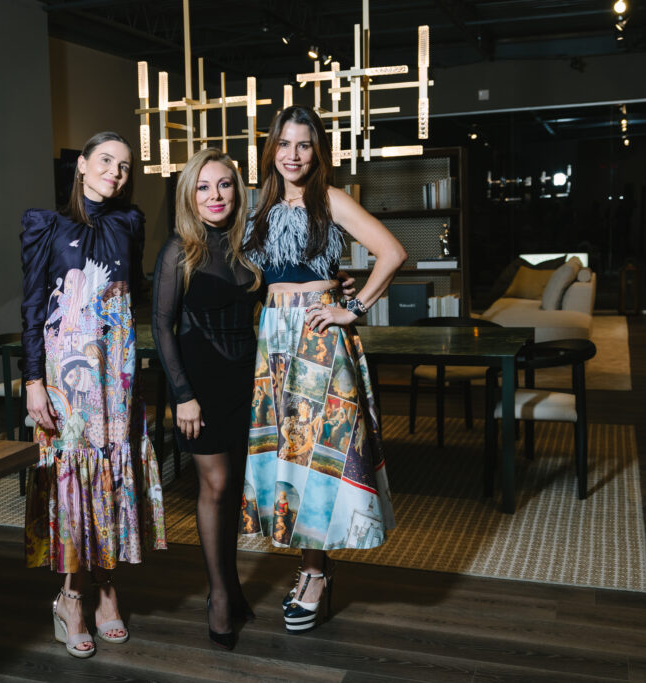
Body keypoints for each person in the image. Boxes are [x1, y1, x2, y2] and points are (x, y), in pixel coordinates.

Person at [241, 105, 407, 634]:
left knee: (316, 455)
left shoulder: (330, 199)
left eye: (304, 145)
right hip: (272, 339)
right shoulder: (257, 205)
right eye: (284, 144)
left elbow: (392, 252)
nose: (292, 155)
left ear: (317, 153)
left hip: (317, 339)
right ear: (271, 148)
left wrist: (350, 308)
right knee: (289, 455)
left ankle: (314, 574)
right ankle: (312, 567)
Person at [20, 131, 166, 658]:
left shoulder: (130, 223)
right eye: (105, 161)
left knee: (111, 473)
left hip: (118, 373)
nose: (115, 173)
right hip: (67, 373)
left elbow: (134, 295)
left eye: (124, 167)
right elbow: (33, 305)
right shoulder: (46, 225)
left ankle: (106, 587)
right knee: (73, 480)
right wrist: (33, 381)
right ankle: (71, 598)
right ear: (81, 165)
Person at [151, 148, 262, 650]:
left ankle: (232, 587)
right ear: (189, 195)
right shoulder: (180, 250)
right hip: (201, 386)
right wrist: (183, 397)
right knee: (214, 487)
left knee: (234, 487)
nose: (215, 195)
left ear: (236, 191)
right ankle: (218, 596)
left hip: (247, 382)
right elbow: (162, 326)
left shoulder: (248, 247)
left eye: (224, 185)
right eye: (203, 187)